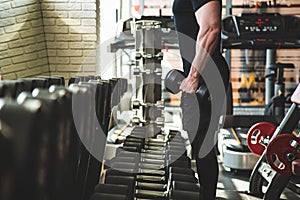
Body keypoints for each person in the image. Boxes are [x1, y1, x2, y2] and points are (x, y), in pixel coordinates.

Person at [172, 0, 230, 199]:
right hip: (200, 73)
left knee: (204, 143)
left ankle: (208, 195)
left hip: (206, 76)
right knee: (199, 143)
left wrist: (193, 76)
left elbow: (211, 28)